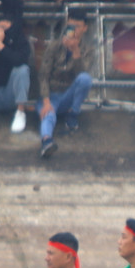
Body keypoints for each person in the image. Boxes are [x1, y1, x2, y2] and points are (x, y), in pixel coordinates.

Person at [36, 9, 96, 159]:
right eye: (71, 25)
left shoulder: (88, 50)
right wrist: (46, 101)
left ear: (84, 28)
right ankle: (46, 141)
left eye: (77, 26)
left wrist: (76, 51)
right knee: (48, 115)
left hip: (69, 95)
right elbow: (43, 75)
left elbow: (83, 75)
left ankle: (73, 114)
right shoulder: (55, 46)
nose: (74, 29)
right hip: (51, 94)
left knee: (85, 79)